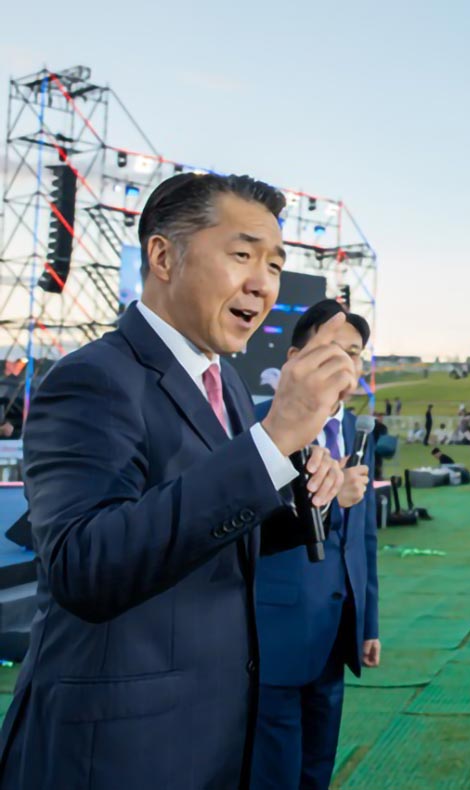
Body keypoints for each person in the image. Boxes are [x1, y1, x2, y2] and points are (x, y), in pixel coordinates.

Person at [0, 173, 348, 788]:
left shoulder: (229, 385)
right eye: (241, 255)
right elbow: (87, 564)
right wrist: (269, 445)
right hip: (119, 750)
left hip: (213, 734)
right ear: (162, 256)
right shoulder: (92, 380)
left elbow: (216, 530)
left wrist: (299, 487)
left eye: (274, 263)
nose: (262, 283)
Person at [251, 301, 380, 789]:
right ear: (293, 358)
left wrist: (367, 623)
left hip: (335, 634)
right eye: (330, 349)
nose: (344, 363)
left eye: (353, 352)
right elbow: (244, 525)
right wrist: (328, 502)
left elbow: (364, 542)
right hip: (274, 635)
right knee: (273, 772)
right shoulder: (257, 426)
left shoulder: (355, 431)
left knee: (316, 768)